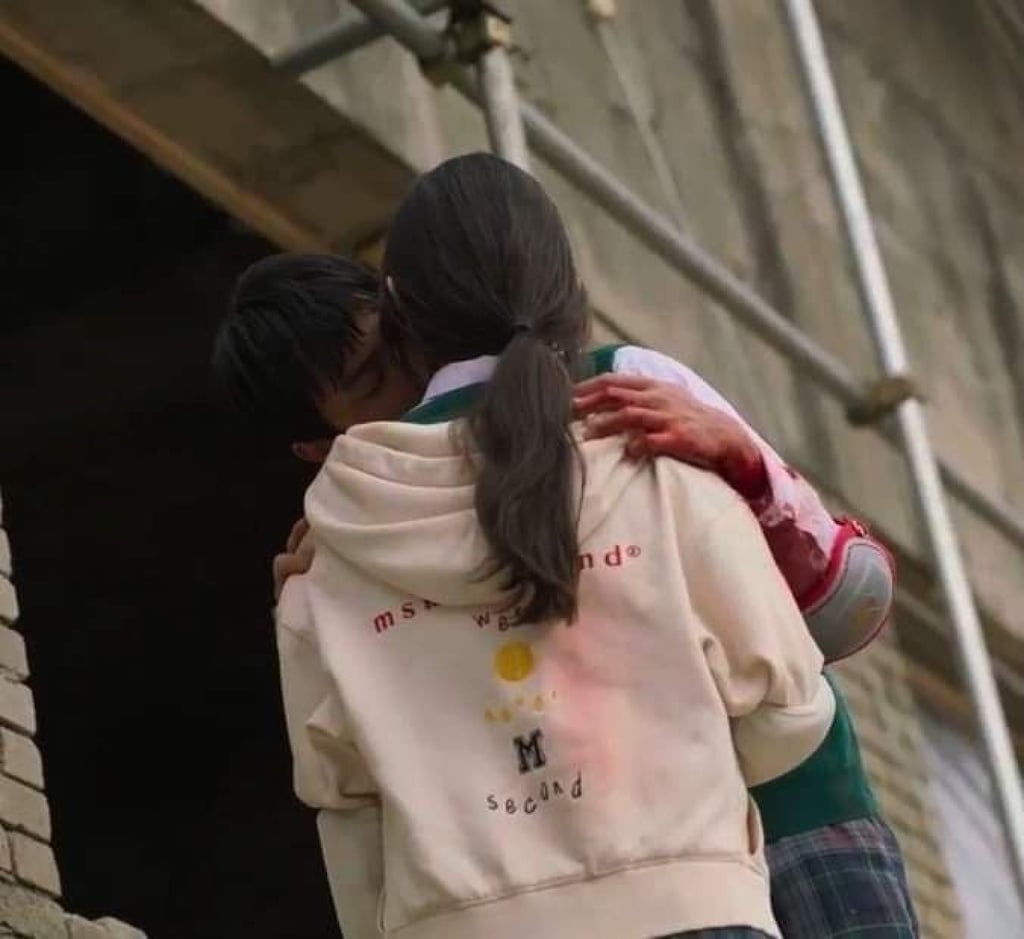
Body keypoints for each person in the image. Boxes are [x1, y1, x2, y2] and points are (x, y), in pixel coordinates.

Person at [212, 175, 918, 935]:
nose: (413, 394)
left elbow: (350, 815)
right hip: (714, 856)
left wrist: (745, 465)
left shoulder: (637, 402)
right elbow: (798, 678)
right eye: (374, 383)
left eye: (395, 351)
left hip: (753, 837)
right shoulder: (337, 556)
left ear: (408, 315)